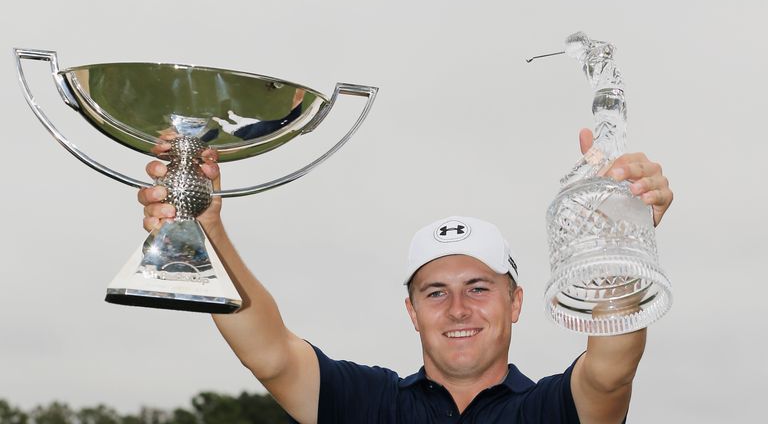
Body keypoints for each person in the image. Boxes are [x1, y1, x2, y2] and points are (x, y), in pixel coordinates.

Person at [137, 128, 673, 423]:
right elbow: (271, 355)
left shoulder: (553, 409)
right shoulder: (370, 403)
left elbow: (611, 370)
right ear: (412, 311)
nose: (458, 309)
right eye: (435, 292)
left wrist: (617, 234)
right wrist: (205, 230)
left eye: (478, 288)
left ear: (515, 303)